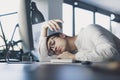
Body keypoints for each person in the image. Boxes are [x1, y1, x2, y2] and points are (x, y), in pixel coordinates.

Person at [39, 19, 120, 62]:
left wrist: (74, 57)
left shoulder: (90, 30)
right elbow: (43, 58)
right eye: (52, 51)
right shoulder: (73, 52)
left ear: (62, 35)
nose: (54, 49)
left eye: (52, 43)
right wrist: (43, 28)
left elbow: (110, 52)